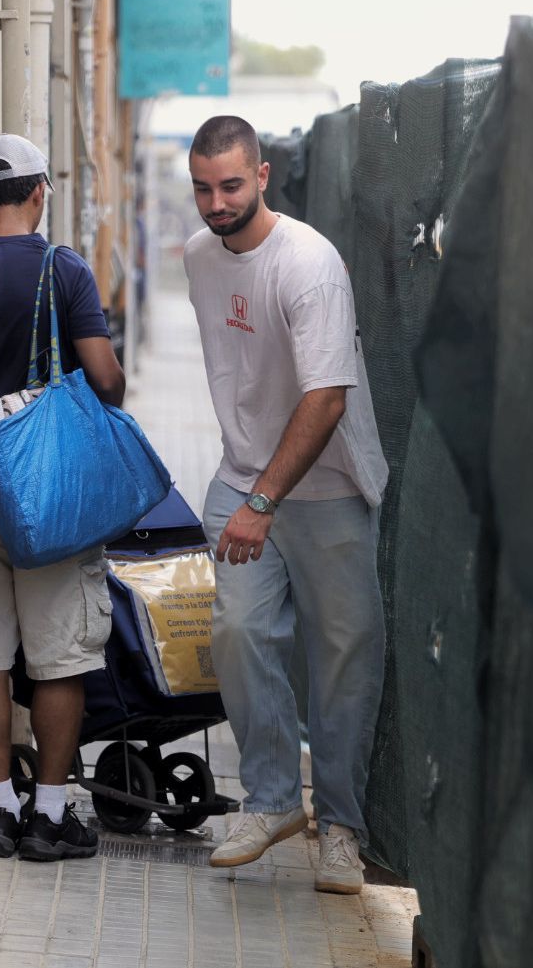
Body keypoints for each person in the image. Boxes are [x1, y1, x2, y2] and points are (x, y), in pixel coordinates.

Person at [183, 115, 389, 895]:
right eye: (203, 187)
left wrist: (266, 499)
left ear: (263, 175)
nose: (217, 203)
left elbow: (327, 395)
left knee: (343, 654)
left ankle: (341, 825)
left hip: (325, 486)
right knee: (239, 630)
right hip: (243, 479)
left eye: (231, 184)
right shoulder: (201, 256)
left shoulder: (310, 264)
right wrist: (250, 488)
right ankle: (270, 801)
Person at [0, 134, 125, 862]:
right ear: (38, 194)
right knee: (61, 653)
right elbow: (107, 379)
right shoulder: (62, 269)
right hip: (48, 492)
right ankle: (48, 814)